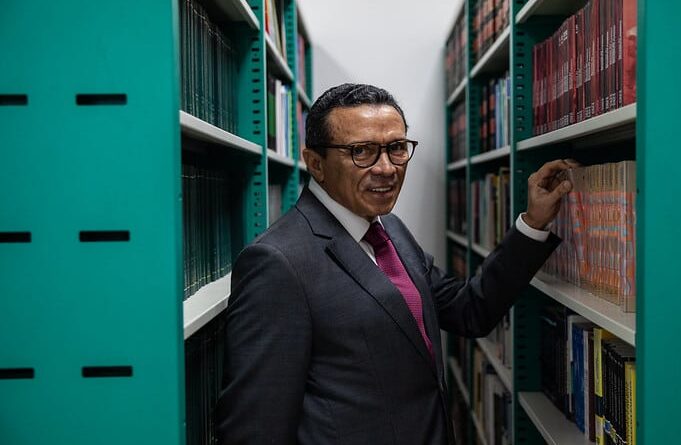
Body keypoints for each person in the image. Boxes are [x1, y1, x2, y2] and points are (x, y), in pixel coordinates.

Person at [216, 83, 576, 445]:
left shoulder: (390, 229)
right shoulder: (277, 263)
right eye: (361, 151)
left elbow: (469, 310)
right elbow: (255, 430)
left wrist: (533, 224)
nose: (387, 168)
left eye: (397, 148)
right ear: (316, 164)